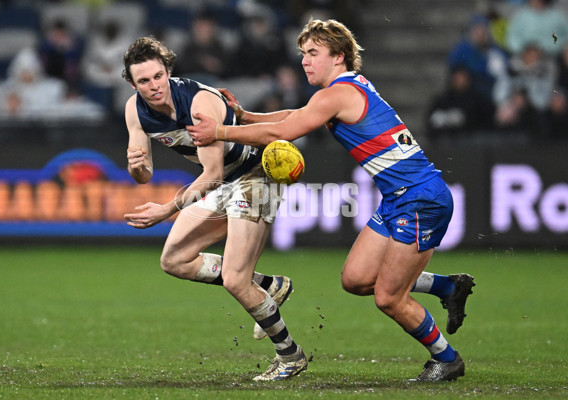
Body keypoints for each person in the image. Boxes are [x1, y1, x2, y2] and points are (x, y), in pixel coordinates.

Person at [188, 19, 476, 382]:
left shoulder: (336, 94)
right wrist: (246, 116)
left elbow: (284, 131)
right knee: (355, 279)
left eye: (313, 53)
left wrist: (218, 131)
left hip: (420, 199)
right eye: (303, 54)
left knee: (389, 297)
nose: (305, 61)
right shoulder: (341, 91)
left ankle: (446, 359)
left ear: (338, 57)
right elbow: (294, 117)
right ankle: (448, 287)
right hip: (398, 198)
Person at [120, 36, 307, 381]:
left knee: (235, 279)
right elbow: (143, 173)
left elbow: (212, 173)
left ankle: (290, 355)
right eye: (143, 81)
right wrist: (136, 166)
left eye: (158, 76)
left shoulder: (197, 103)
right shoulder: (135, 109)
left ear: (168, 71)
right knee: (174, 260)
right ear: (132, 84)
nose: (153, 86)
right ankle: (271, 285)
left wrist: (164, 211)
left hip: (256, 177)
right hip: (226, 184)